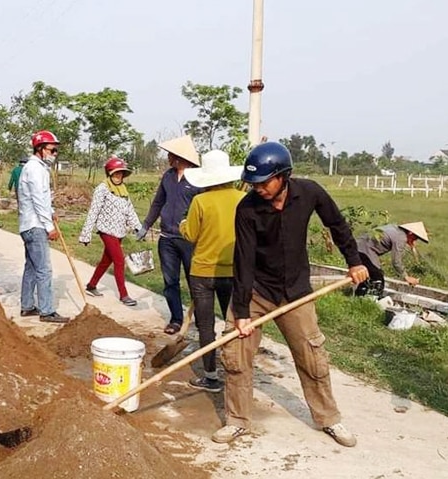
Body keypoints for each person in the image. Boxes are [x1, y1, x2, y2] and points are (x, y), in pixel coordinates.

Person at [213, 141, 369, 447]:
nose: (258, 188)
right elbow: (242, 260)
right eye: (253, 183)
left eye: (264, 182)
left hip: (296, 291)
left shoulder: (309, 192)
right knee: (236, 354)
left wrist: (354, 261)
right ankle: (237, 420)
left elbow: (337, 225)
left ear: (284, 175)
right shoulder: (246, 208)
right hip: (257, 290)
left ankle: (329, 419)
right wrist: (242, 313)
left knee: (312, 356)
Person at [179, 150, 247, 393]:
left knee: (205, 325)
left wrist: (183, 225)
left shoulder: (200, 201)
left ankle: (210, 376)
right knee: (236, 322)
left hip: (203, 272)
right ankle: (238, 373)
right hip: (234, 272)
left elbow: (191, 235)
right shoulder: (243, 199)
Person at [137, 135, 202, 334]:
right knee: (170, 281)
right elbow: (158, 202)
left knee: (196, 282)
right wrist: (146, 225)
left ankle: (201, 320)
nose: (167, 157)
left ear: (180, 156)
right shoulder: (168, 176)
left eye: (170, 154)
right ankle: (175, 319)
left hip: (190, 239)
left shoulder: (199, 179)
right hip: (167, 239)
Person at [17, 130, 69, 323]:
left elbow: (42, 198)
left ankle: (27, 306)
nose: (54, 154)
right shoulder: (35, 169)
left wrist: (52, 210)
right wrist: (49, 226)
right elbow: (38, 200)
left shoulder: (36, 168)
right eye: (52, 150)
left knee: (31, 267)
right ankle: (47, 311)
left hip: (28, 224)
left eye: (56, 151)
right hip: (35, 226)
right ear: (39, 149)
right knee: (44, 270)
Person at [78, 157, 144, 306]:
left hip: (120, 231)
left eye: (121, 174)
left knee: (106, 261)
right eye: (115, 173)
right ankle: (124, 295)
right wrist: (86, 234)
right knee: (119, 261)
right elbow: (93, 212)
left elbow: (130, 211)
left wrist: (138, 227)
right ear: (109, 173)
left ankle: (91, 285)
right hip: (106, 231)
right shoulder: (102, 189)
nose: (118, 176)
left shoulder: (123, 190)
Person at [355, 222, 429, 296]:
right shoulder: (401, 238)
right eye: (415, 238)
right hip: (365, 250)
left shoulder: (394, 228)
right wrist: (406, 277)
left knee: (367, 276)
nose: (414, 241)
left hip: (358, 246)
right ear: (410, 233)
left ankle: (359, 298)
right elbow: (396, 261)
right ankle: (370, 301)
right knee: (378, 280)